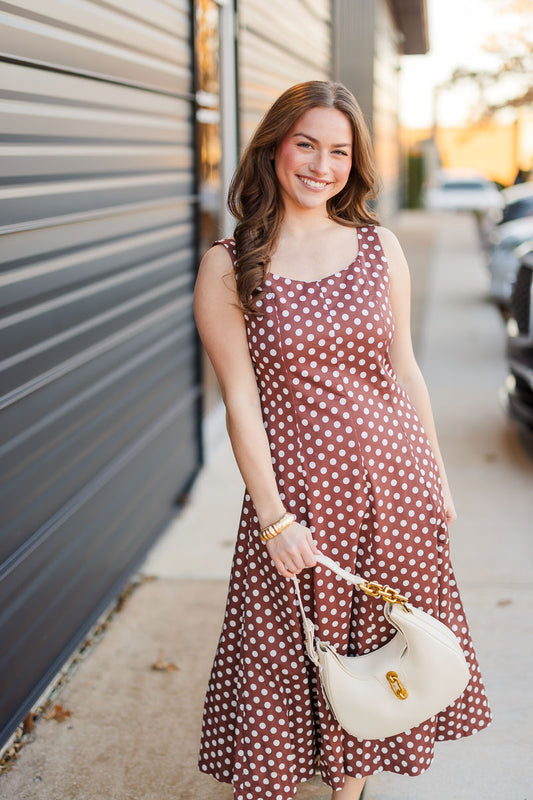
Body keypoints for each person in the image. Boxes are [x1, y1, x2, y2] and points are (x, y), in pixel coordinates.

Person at [194, 80, 492, 800]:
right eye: (305, 145)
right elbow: (240, 403)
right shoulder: (227, 265)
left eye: (337, 151)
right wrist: (273, 518)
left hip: (396, 492)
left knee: (378, 660)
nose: (319, 165)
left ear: (351, 163)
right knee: (286, 661)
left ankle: (348, 793)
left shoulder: (376, 246)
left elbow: (404, 370)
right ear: (273, 147)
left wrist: (437, 481)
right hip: (296, 501)